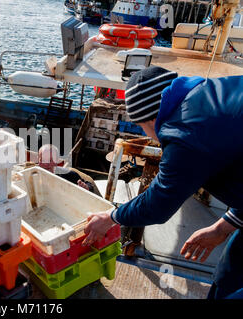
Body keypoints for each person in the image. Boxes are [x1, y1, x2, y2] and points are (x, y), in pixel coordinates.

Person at [82, 66, 243, 299]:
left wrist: (110, 218)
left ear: (150, 117)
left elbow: (157, 205)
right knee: (229, 277)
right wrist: (224, 225)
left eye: (141, 125)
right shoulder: (211, 93)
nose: (147, 134)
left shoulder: (185, 131)